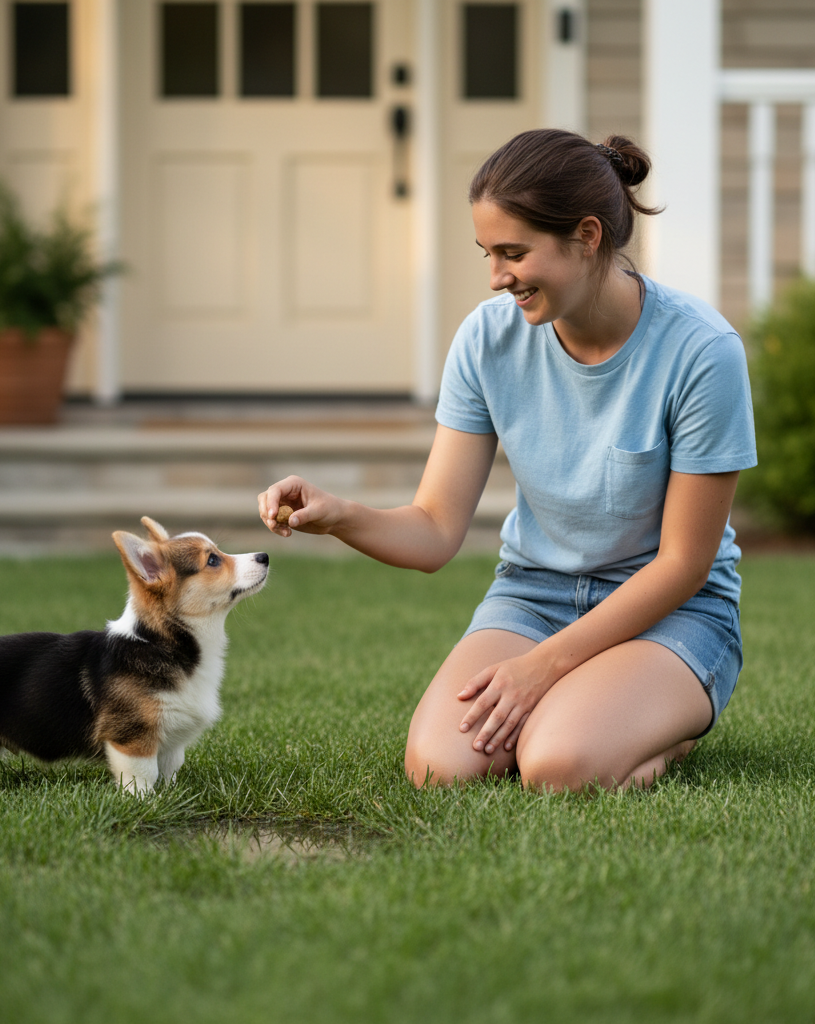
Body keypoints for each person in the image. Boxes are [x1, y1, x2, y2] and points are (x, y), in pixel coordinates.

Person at [258, 129, 757, 792]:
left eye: (514, 253)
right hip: (536, 597)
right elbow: (435, 529)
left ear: (586, 236)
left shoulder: (702, 353)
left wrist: (544, 668)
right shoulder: (487, 341)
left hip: (672, 613)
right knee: (441, 768)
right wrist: (340, 515)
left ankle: (667, 731)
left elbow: (683, 564)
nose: (497, 278)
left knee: (556, 767)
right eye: (488, 254)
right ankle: (594, 712)